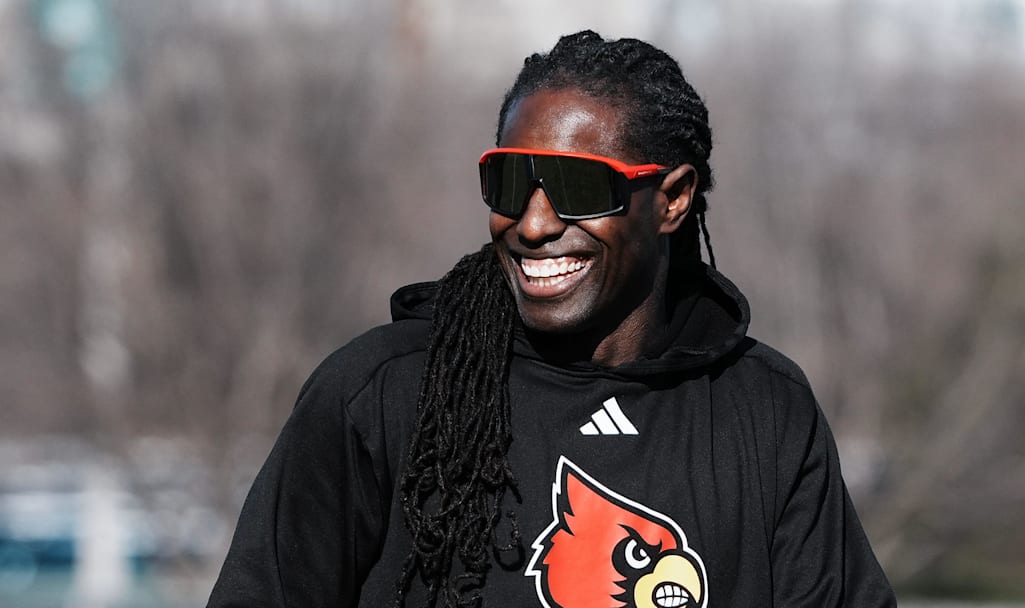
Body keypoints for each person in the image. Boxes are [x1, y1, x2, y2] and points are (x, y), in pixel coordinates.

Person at [207, 30, 896, 608]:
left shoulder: (764, 409)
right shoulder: (381, 392)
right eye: (510, 181)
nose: (533, 222)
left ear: (673, 198)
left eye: (575, 187)